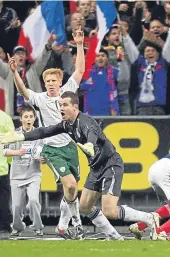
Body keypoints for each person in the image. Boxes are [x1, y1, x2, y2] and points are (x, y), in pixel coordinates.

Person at [0, 91, 160, 240]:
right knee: (84, 206)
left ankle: (148, 218)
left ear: (75, 107)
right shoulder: (66, 124)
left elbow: (91, 133)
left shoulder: (85, 121)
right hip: (96, 167)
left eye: (64, 105)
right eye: (60, 105)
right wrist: (19, 136)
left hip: (110, 164)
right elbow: (44, 132)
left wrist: (89, 145)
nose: (60, 108)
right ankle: (113, 236)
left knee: (110, 210)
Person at [7, 26, 85, 239]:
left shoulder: (68, 91)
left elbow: (79, 71)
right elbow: (23, 90)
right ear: (44, 83)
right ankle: (77, 224)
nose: (50, 84)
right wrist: (14, 72)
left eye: (53, 81)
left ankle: (63, 224)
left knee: (72, 190)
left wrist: (79, 44)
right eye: (47, 81)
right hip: (52, 149)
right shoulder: (40, 99)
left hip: (70, 146)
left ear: (60, 82)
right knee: (69, 185)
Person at [2, 105, 44, 237]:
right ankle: (17, 227)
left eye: (31, 116)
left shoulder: (39, 134)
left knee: (33, 201)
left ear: (34, 118)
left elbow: (44, 153)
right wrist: (17, 152)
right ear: (21, 119)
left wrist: (43, 159)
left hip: (33, 174)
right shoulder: (14, 134)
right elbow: (4, 151)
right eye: (26, 117)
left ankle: (38, 227)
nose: (28, 119)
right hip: (16, 175)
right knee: (16, 207)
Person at [0, 110, 15, 232]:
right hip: (2, 166)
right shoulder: (5, 118)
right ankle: (5, 225)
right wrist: (10, 162)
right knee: (3, 197)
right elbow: (12, 142)